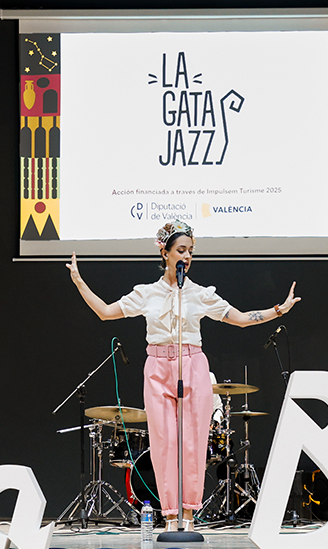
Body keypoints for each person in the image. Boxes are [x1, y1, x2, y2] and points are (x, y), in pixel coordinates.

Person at [67, 220, 300, 532]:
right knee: (163, 443)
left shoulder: (200, 294)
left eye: (191, 251)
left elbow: (242, 319)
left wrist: (279, 310)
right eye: (181, 250)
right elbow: (106, 313)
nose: (187, 256)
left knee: (193, 443)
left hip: (193, 365)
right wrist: (79, 282)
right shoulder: (147, 293)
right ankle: (170, 516)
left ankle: (188, 516)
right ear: (165, 253)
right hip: (157, 367)